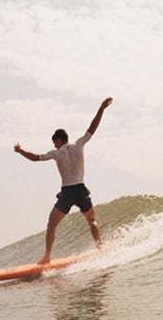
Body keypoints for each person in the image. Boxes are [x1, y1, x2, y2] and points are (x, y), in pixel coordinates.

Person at [14, 97, 113, 264]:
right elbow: (92, 127)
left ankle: (46, 257)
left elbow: (35, 158)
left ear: (59, 139)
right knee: (91, 220)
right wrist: (102, 108)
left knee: (51, 225)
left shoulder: (57, 153)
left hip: (67, 192)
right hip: (81, 190)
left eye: (54, 142)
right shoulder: (79, 145)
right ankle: (100, 246)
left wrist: (20, 150)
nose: (53, 145)